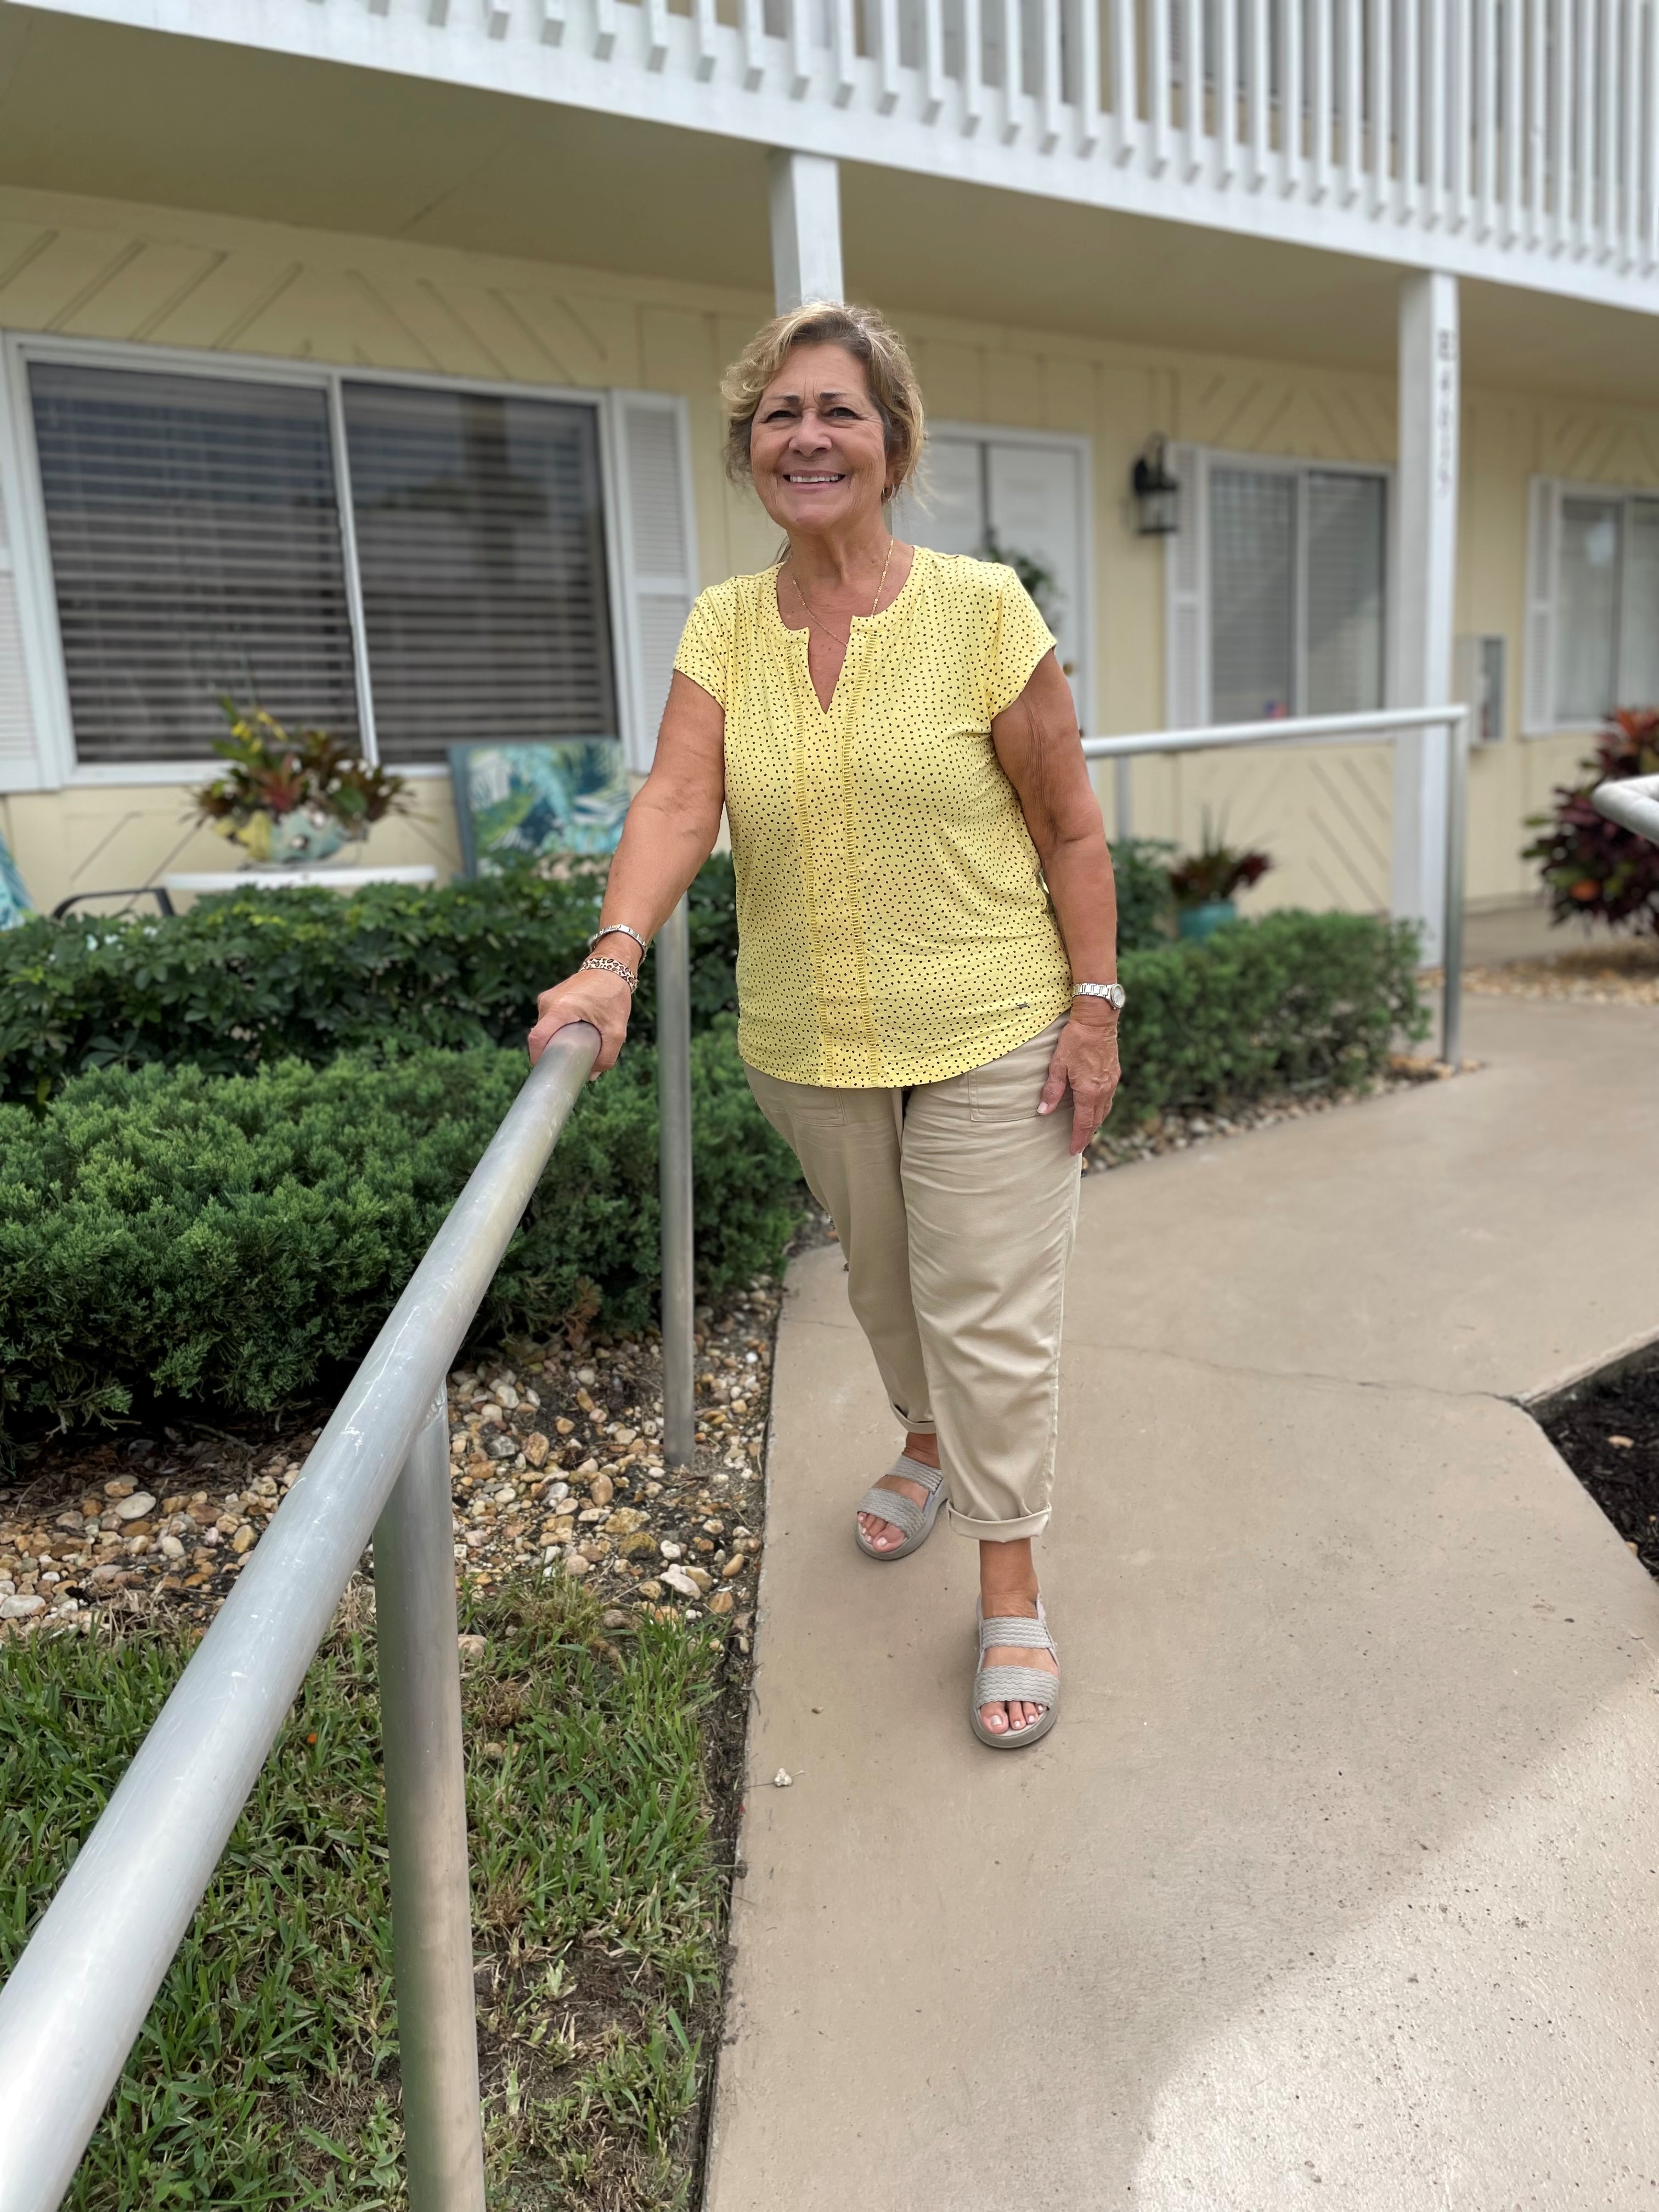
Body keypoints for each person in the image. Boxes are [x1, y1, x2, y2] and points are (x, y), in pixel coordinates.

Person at [528, 301, 1121, 1750]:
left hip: (991, 1022)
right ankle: (925, 1445)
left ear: (892, 441)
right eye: (782, 416)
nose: (809, 437)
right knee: (885, 1287)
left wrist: (1095, 1005)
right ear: (751, 453)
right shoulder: (728, 624)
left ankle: (1009, 1581)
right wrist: (614, 957)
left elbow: (1071, 825)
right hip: (810, 1042)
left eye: (839, 412)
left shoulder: (984, 610)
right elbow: (677, 800)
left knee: (985, 1309)